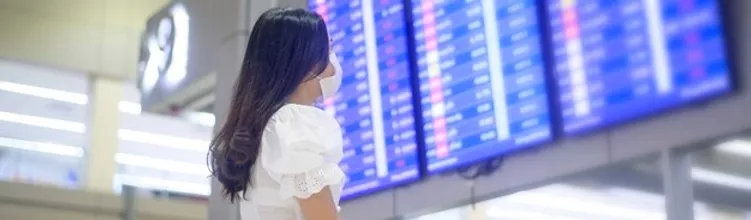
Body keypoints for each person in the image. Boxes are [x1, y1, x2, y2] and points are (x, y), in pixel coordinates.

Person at [208, 7, 344, 220]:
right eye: (329, 50)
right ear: (307, 60)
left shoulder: (265, 126)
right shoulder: (294, 124)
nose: (333, 63)